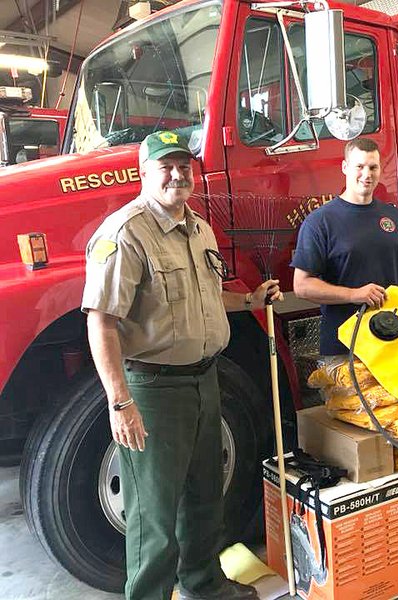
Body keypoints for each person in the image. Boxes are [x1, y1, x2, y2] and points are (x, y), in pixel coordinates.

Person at [82, 130, 283, 600]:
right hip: (154, 391)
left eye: (184, 166)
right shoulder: (125, 233)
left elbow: (205, 298)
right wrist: (120, 403)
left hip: (205, 380)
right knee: (153, 516)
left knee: (202, 498)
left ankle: (203, 585)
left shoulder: (200, 229)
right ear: (144, 174)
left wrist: (249, 298)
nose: (177, 174)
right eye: (165, 166)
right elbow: (102, 323)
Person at [292, 137, 398, 356]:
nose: (367, 174)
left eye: (373, 167)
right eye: (359, 166)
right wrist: (354, 294)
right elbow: (302, 286)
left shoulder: (393, 217)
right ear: (345, 167)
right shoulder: (320, 221)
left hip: (393, 345)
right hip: (344, 349)